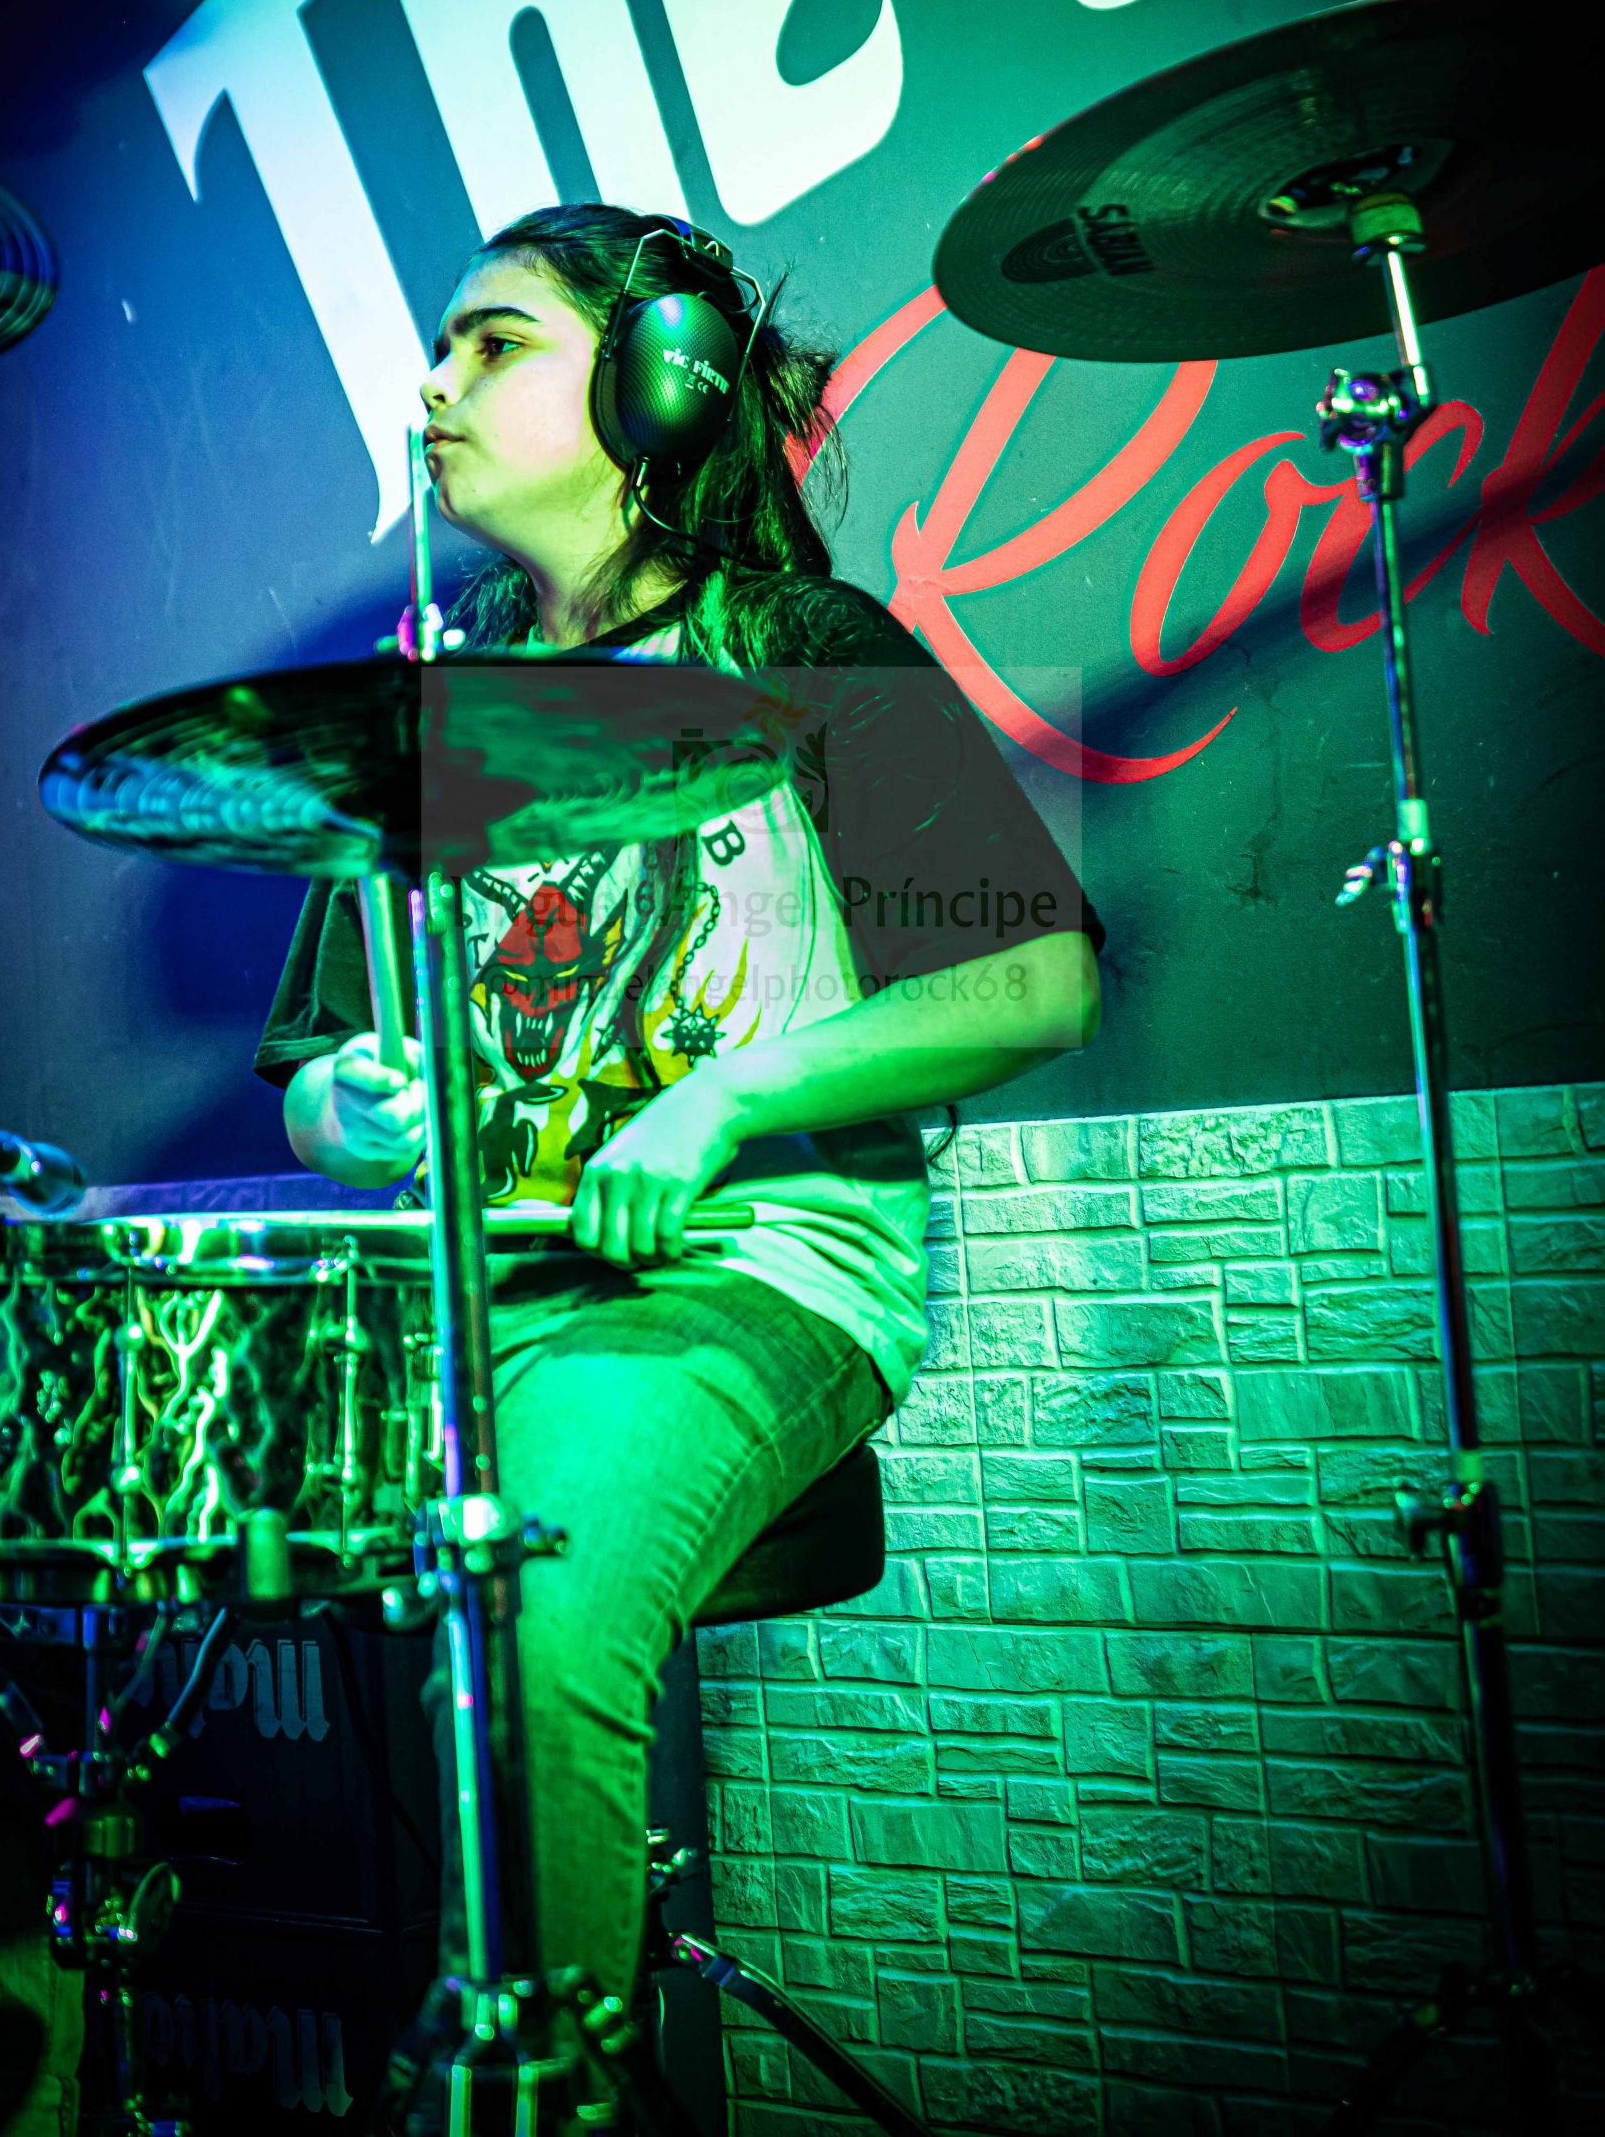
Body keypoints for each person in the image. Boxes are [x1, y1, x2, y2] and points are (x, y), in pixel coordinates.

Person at [255, 203, 1105, 2096]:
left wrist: (723, 1097)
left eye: (493, 344)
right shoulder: (426, 709)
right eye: (443, 348)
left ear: (661, 385)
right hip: (488, 1297)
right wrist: (352, 1111)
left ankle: (524, 2092)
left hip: (756, 1275)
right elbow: (312, 1075)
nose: (432, 386)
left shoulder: (797, 644)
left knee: (535, 1598)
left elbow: (1037, 980)